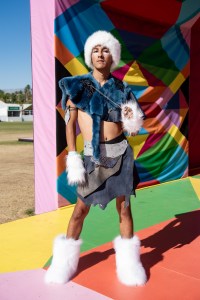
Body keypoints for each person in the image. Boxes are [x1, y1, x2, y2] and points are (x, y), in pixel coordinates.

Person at [45, 30, 147, 286]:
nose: (100, 54)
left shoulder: (123, 89)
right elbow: (70, 124)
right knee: (80, 210)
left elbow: (133, 125)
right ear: (91, 56)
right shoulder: (76, 85)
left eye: (105, 50)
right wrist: (72, 155)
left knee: (124, 209)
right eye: (95, 50)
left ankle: (129, 265)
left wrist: (132, 120)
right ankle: (63, 264)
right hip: (91, 157)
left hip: (120, 155)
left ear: (113, 56)